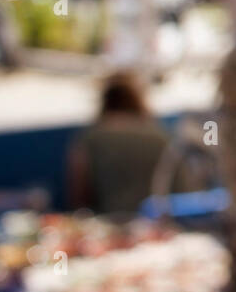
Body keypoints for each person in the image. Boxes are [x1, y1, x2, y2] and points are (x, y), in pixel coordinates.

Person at [67, 72, 171, 214]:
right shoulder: (159, 137)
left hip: (107, 224)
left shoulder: (91, 137)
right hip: (154, 225)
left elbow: (79, 194)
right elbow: (179, 189)